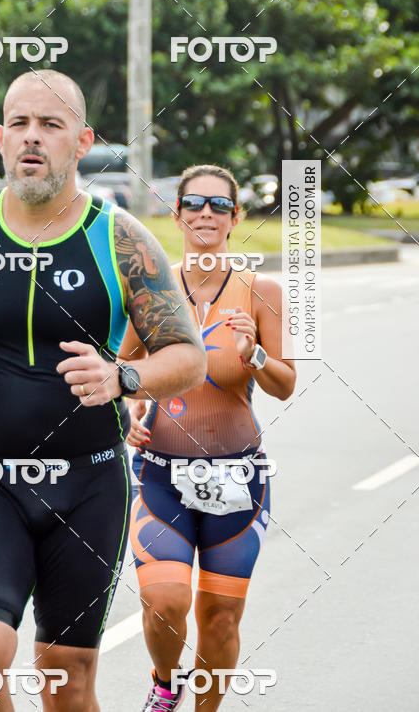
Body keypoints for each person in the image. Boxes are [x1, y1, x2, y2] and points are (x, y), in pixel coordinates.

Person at [0, 71, 207, 712]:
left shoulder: (122, 237)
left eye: (51, 125)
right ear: (0, 137)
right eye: (19, 124)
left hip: (90, 484)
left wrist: (121, 377)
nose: (32, 139)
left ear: (82, 141)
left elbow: (187, 356)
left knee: (65, 683)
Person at [121, 164, 296, 712]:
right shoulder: (153, 290)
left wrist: (255, 356)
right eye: (194, 203)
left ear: (234, 219)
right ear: (177, 214)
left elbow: (285, 384)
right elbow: (121, 368)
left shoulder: (260, 290)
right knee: (164, 600)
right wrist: (129, 408)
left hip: (239, 479)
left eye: (219, 206)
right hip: (161, 476)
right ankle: (165, 683)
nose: (206, 214)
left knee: (219, 618)